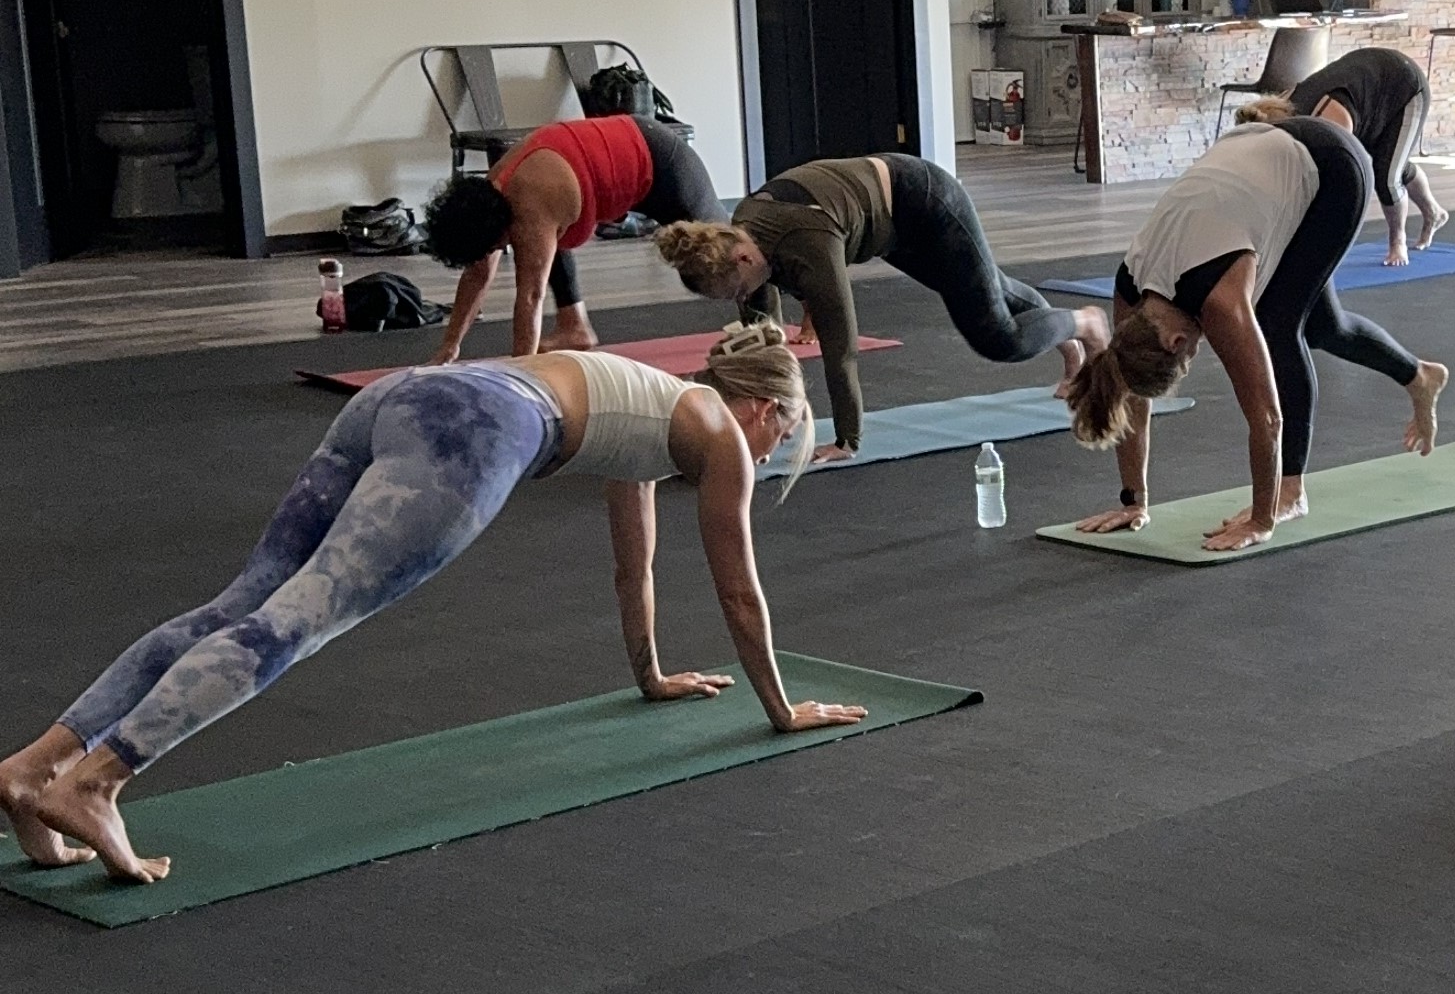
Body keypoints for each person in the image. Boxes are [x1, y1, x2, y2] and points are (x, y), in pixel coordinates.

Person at [0, 325, 859, 887]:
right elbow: (739, 591)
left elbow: (632, 570)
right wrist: (782, 711)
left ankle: (31, 770)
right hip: (475, 429)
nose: (768, 449)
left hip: (405, 394)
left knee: (243, 603)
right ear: (764, 407)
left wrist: (653, 675)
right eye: (780, 436)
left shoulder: (657, 405)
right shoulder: (721, 439)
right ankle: (100, 780)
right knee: (298, 620)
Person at [1062, 116, 1449, 554]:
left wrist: (1260, 519)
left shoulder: (1220, 302)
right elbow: (1131, 391)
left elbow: (1267, 418)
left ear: (1176, 344)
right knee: (1325, 325)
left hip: (1332, 169)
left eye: (1188, 361)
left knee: (1281, 327)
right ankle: (1419, 375)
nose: (1197, 353)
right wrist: (1134, 501)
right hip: (1262, 159)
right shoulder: (1131, 289)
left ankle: (1291, 494)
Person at [655, 152, 1107, 462]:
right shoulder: (739, 242)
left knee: (996, 335)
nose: (739, 300)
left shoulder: (805, 243)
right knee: (992, 287)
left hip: (927, 202)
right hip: (886, 226)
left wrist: (847, 439)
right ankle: (1069, 349)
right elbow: (763, 346)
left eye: (735, 291)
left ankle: (1084, 322)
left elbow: (841, 346)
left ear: (744, 258)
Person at [422, 112, 725, 361]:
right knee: (541, 243)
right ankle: (574, 328)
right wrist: (450, 345)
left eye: (497, 245)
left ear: (496, 232)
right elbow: (477, 274)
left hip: (664, 162)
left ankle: (764, 333)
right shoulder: (491, 193)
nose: (499, 250)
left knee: (722, 259)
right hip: (628, 152)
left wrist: (521, 374)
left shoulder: (530, 200)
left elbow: (530, 296)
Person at [1239, 47, 1448, 263]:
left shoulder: (1326, 120)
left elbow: (1343, 178)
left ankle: (1398, 241)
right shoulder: (1276, 107)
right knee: (1393, 159)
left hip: (1405, 84)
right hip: (1368, 89)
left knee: (1387, 176)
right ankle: (1434, 212)